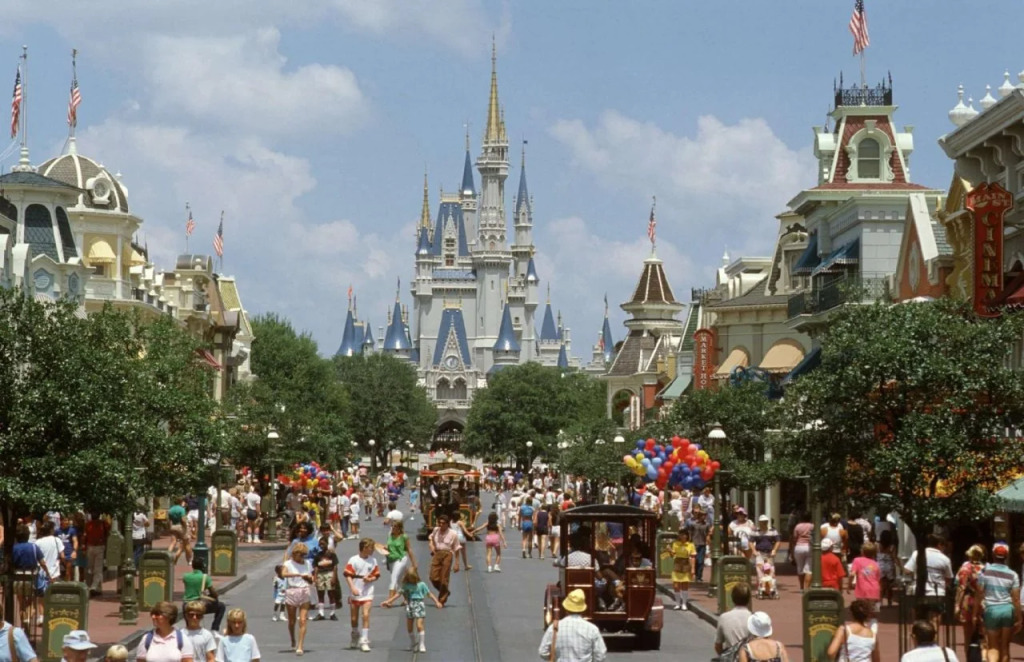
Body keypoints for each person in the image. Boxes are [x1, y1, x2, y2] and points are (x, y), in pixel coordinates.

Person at [974, 541, 1020, 662]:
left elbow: (979, 593)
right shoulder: (1013, 574)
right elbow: (1016, 598)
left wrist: (975, 614)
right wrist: (1020, 618)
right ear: (1007, 556)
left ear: (993, 554)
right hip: (1007, 610)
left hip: (991, 610)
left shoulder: (984, 572)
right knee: (1005, 647)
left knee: (993, 646)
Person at [380, 567, 442, 652]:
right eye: (410, 579)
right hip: (410, 605)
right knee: (409, 627)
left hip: (419, 604)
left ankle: (422, 643)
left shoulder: (421, 584)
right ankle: (413, 643)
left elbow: (429, 594)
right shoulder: (406, 585)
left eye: (413, 578)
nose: (412, 580)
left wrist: (437, 602)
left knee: (419, 625)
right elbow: (398, 594)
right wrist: (388, 601)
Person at [538, 589, 607, 662]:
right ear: (583, 609)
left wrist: (555, 658)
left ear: (566, 608)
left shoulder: (554, 627)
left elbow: (543, 652)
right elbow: (600, 655)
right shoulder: (592, 629)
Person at [904, 534, 953, 623]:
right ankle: (934, 631)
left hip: (919, 590)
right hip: (937, 592)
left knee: (917, 613)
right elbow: (948, 577)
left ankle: (916, 629)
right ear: (939, 544)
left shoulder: (917, 554)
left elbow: (907, 570)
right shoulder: (945, 559)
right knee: (936, 614)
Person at [343, 538, 381, 653]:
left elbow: (376, 575)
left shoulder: (373, 560)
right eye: (371, 548)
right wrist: (352, 588)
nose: (372, 550)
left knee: (365, 615)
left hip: (367, 591)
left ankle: (364, 640)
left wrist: (370, 579)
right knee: (354, 618)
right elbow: (347, 575)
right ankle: (355, 634)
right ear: (364, 548)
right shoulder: (353, 560)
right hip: (356, 589)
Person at [954, 544, 985, 662]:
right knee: (983, 635)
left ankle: (969, 659)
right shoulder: (985, 568)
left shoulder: (965, 568)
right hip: (982, 602)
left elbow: (961, 587)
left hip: (969, 601)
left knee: (968, 635)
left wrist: (957, 604)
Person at [282, 543, 313, 655]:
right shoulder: (288, 563)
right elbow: (283, 574)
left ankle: (300, 645)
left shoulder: (308, 563)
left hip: (304, 590)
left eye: (303, 555)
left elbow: (312, 578)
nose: (300, 557)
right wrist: (298, 575)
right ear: (294, 554)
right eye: (299, 554)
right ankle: (293, 640)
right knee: (292, 620)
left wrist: (309, 578)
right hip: (292, 590)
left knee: (303, 620)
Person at [378, 515, 416, 607]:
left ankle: (389, 601)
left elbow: (409, 549)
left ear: (399, 528)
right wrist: (382, 548)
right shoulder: (390, 535)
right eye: (392, 526)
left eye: (395, 527)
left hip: (401, 559)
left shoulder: (404, 537)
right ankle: (407, 599)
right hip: (391, 559)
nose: (393, 528)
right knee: (399, 581)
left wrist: (414, 563)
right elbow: (388, 546)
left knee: (393, 578)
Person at [181, 558, 225, 633]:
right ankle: (214, 629)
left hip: (186, 603)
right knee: (221, 606)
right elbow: (214, 594)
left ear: (193, 566)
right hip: (199, 604)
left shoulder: (185, 576)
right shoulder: (205, 577)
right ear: (202, 566)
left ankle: (189, 629)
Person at [427, 515, 461, 605]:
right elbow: (431, 538)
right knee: (433, 577)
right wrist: (431, 545)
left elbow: (457, 548)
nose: (441, 525)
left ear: (447, 524)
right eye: (439, 523)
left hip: (447, 553)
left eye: (443, 523)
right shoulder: (436, 530)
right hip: (437, 553)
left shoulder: (453, 534)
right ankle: (445, 591)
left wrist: (457, 563)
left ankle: (441, 599)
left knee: (444, 578)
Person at [715, 583, 754, 656]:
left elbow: (718, 645)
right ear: (749, 599)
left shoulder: (724, 617)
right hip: (749, 656)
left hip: (732, 656)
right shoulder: (753, 618)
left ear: (732, 598)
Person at [311, 536, 340, 622]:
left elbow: (335, 567)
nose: (321, 545)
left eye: (323, 544)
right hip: (320, 574)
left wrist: (334, 577)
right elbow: (316, 567)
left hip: (329, 573)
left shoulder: (332, 555)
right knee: (320, 594)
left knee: (331, 593)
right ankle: (321, 613)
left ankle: (332, 613)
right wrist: (315, 578)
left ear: (327, 544)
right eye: (320, 544)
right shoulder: (318, 555)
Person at [850, 543, 881, 614]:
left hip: (862, 590)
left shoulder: (857, 560)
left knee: (862, 612)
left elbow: (852, 574)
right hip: (875, 590)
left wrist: (849, 584)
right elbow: (878, 579)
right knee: (874, 613)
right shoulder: (876, 564)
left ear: (862, 551)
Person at [83, 512, 109, 596]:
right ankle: (96, 587)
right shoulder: (89, 524)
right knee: (91, 568)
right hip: (91, 547)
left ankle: (93, 587)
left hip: (99, 547)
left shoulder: (103, 524)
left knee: (97, 568)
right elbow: (85, 536)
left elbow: (107, 533)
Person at [670, 528, 696, 611]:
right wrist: (669, 551)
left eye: (684, 534)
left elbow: (693, 557)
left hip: (686, 564)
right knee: (676, 585)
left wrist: (693, 569)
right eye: (681, 534)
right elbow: (672, 555)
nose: (682, 536)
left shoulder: (690, 545)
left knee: (685, 584)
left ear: (687, 536)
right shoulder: (675, 544)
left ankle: (684, 603)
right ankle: (677, 603)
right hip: (677, 564)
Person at [168, 500, 191, 566]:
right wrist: (185, 526)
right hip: (181, 527)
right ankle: (189, 560)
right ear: (180, 502)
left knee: (173, 542)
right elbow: (183, 519)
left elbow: (169, 520)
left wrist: (169, 528)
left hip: (173, 526)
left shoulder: (170, 510)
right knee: (186, 544)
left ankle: (167, 556)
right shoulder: (181, 509)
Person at [690, 508, 710, 583]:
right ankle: (694, 574)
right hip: (694, 544)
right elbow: (690, 533)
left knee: (701, 561)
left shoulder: (707, 524)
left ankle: (699, 576)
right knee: (695, 560)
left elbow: (708, 534)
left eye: (704, 515)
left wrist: (708, 543)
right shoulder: (693, 524)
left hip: (702, 544)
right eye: (702, 515)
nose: (703, 517)